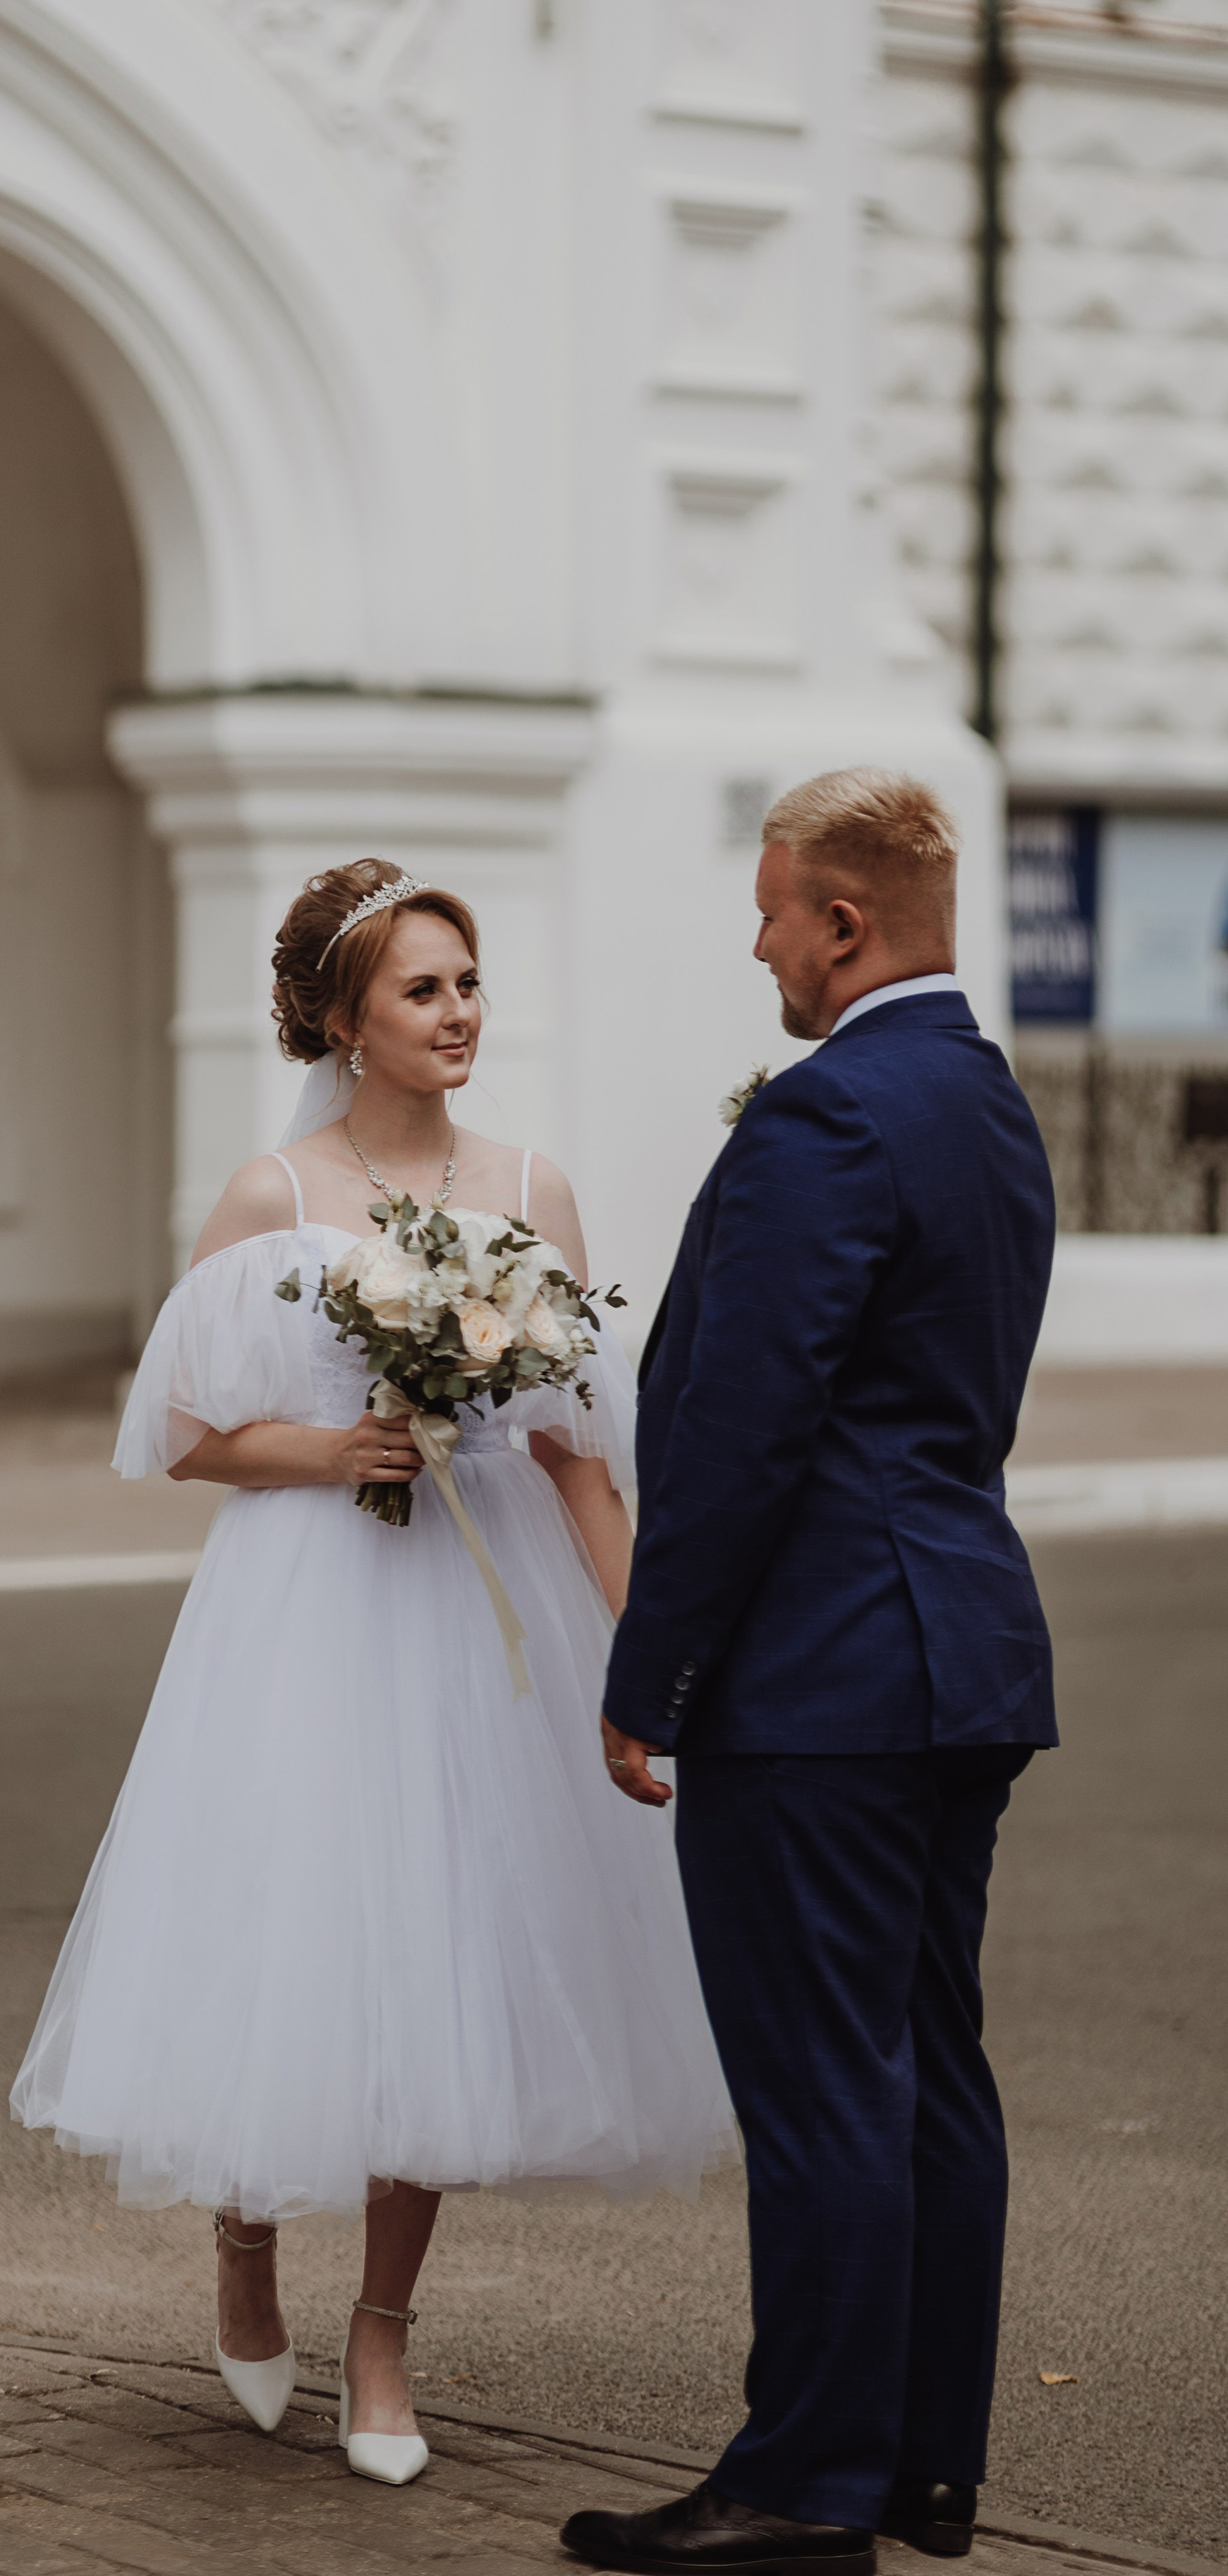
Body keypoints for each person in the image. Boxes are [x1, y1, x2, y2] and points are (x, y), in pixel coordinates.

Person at [13, 856, 733, 2488]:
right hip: (312, 1602)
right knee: (290, 1931)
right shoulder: (275, 1197)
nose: (457, 1012)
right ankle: (245, 2246)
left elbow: (573, 1461)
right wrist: (339, 1447)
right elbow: (186, 1436)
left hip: (483, 1617)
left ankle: (383, 2330)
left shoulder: (532, 1190)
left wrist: (653, 1663)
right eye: (422, 989)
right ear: (344, 1021)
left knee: (452, 1957)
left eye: (468, 982)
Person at [562, 772, 1058, 2575]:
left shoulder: (827, 1117)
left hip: (823, 1676)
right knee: (924, 2064)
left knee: (824, 2078)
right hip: (961, 1656)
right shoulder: (986, 1104)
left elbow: (742, 1432)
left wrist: (652, 1668)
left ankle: (803, 2485)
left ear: (843, 925)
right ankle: (921, 2462)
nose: (757, 940)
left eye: (772, 912)